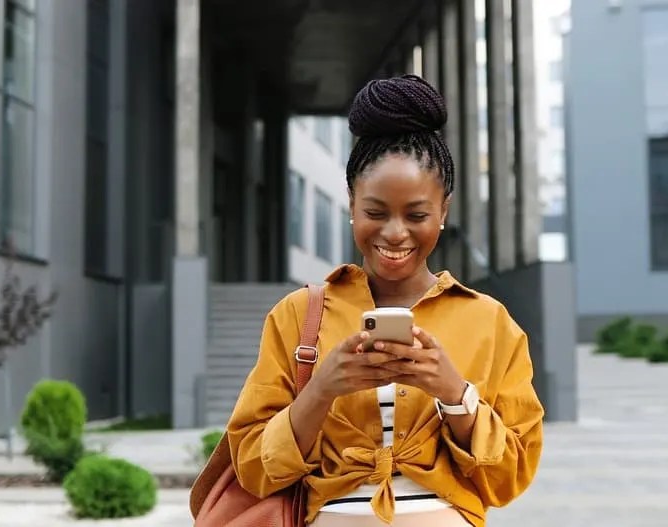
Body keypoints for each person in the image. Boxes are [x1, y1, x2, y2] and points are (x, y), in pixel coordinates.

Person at [226, 74, 544, 527]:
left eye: (417, 215)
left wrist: (454, 394)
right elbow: (254, 469)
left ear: (443, 212)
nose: (395, 233)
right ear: (351, 204)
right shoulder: (298, 315)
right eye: (375, 212)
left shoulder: (490, 322)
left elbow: (510, 477)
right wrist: (322, 389)